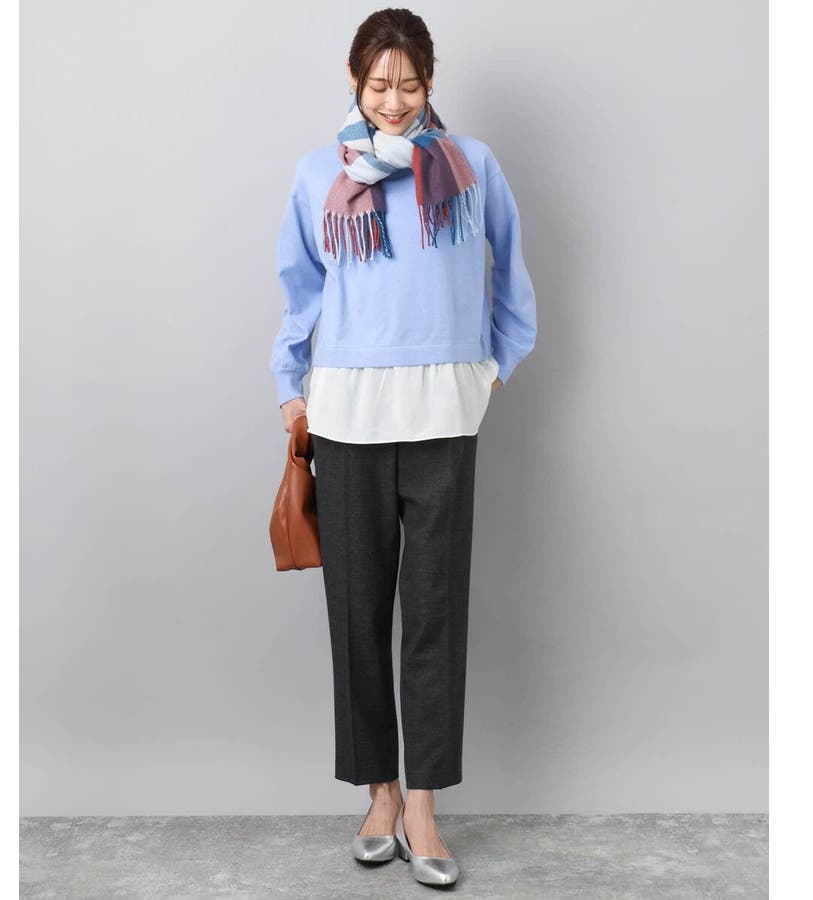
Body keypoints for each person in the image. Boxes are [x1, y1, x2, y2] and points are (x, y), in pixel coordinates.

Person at [269, 8, 537, 887]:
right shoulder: (319, 174)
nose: (393, 102)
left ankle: (423, 804)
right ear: (356, 82)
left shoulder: (471, 166)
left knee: (433, 615)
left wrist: (492, 369)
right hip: (346, 414)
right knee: (356, 617)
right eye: (379, 85)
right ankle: (378, 793)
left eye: (409, 85)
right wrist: (290, 384)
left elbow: (512, 273)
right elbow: (301, 291)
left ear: (429, 84)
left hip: (443, 415)